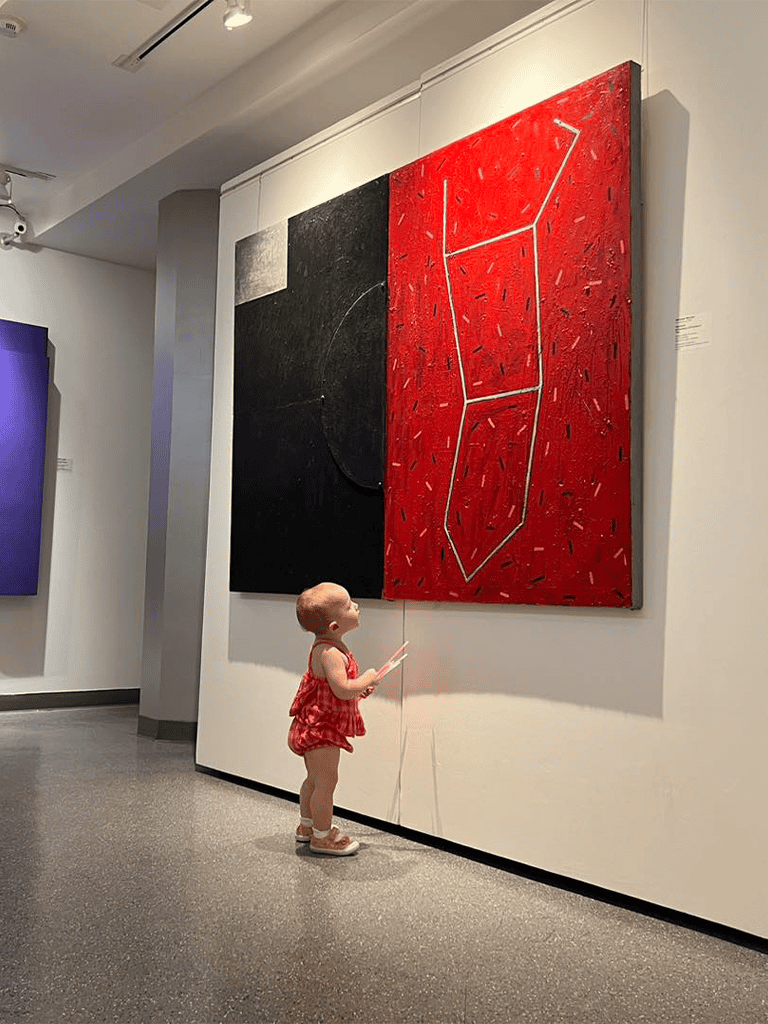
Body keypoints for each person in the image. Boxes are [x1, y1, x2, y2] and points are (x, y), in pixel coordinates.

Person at [288, 582, 379, 856]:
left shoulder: (329, 645)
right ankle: (322, 837)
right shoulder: (330, 654)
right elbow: (341, 689)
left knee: (313, 780)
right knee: (326, 783)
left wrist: (360, 687)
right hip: (322, 729)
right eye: (350, 606)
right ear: (335, 626)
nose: (357, 607)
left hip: (315, 725)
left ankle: (307, 827)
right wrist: (366, 679)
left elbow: (336, 690)